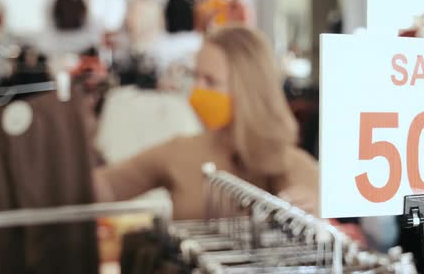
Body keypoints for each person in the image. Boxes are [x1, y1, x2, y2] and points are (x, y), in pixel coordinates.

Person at [94, 25, 319, 219]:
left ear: (249, 90)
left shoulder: (295, 166)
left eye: (210, 81)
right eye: (196, 77)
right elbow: (108, 187)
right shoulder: (180, 152)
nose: (196, 92)